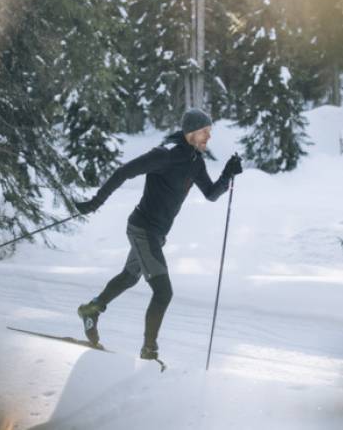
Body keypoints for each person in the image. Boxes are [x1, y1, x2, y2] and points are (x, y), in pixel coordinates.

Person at [74, 108, 242, 360]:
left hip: (156, 233)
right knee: (163, 292)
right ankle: (149, 351)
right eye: (205, 131)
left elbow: (210, 194)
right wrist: (96, 202)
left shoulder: (195, 160)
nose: (209, 136)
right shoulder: (166, 154)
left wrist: (228, 173)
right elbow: (124, 172)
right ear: (191, 132)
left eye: (209, 131)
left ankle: (91, 309)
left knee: (129, 277)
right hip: (143, 229)